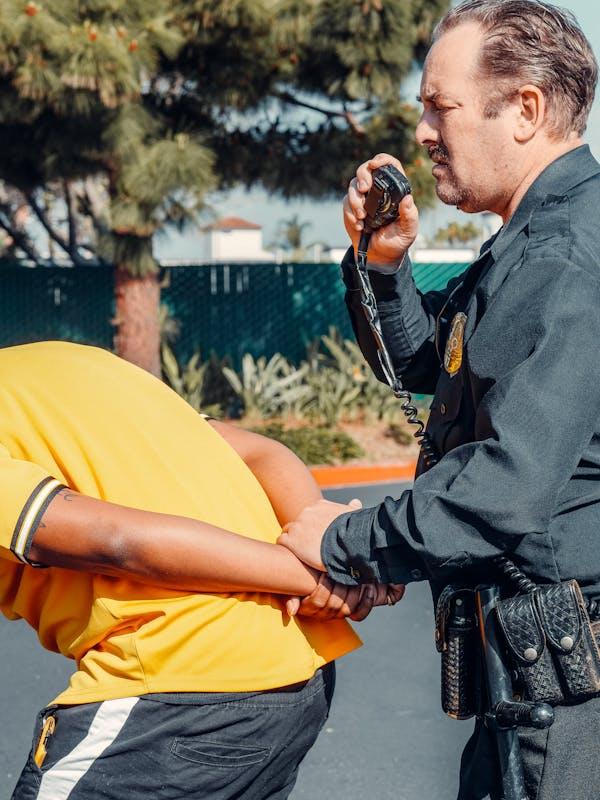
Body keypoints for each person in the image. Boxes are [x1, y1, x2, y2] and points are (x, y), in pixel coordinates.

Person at [278, 1, 600, 798]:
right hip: (531, 693)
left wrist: (345, 541)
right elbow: (433, 363)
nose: (422, 131)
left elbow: (506, 486)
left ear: (525, 109)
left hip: (569, 713)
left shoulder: (566, 256)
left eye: (439, 106)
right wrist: (384, 262)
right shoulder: (534, 240)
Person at [1, 339, 403, 800]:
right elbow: (262, 452)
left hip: (178, 685)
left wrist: (317, 576)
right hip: (297, 672)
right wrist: (329, 550)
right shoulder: (66, 361)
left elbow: (117, 542)